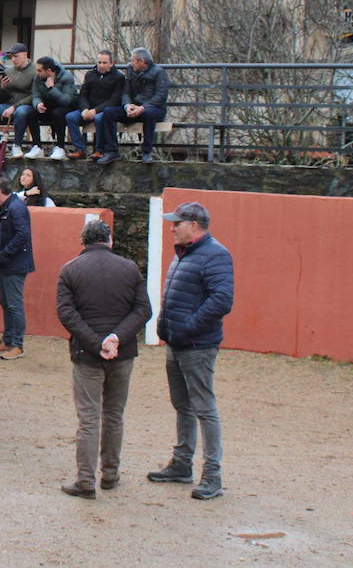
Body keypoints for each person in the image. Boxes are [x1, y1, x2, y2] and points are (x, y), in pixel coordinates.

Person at [55, 219, 152, 499]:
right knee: (113, 415)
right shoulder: (129, 268)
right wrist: (115, 338)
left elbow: (67, 314)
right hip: (121, 352)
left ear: (82, 242)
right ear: (109, 241)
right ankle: (110, 474)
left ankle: (85, 480)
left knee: (88, 418)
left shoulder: (70, 270)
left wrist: (96, 344)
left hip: (87, 353)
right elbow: (143, 310)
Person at [149, 201, 235, 501]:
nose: (172, 228)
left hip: (197, 344)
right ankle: (183, 464)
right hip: (179, 342)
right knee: (183, 405)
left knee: (203, 407)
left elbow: (222, 300)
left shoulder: (215, 254)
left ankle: (212, 474)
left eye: (177, 223)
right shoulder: (189, 253)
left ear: (194, 226)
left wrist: (187, 326)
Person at [96, 47, 171, 165]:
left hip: (153, 109)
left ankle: (146, 152)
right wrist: (127, 105)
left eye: (133, 60)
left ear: (142, 61)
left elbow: (161, 96)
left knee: (149, 114)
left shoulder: (158, 72)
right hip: (133, 108)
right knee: (109, 112)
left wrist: (143, 107)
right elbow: (126, 91)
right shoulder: (131, 70)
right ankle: (111, 150)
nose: (131, 63)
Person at [0, 176, 33, 360]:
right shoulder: (12, 206)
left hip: (14, 264)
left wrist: (5, 254)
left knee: (13, 304)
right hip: (8, 264)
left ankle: (17, 345)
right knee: (6, 303)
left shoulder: (15, 207)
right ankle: (8, 341)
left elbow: (22, 234)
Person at [0, 43, 37, 159]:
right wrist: (3, 88)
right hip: (8, 104)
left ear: (25, 55)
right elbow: (1, 96)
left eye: (16, 56)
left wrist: (14, 107)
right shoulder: (9, 71)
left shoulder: (34, 71)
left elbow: (35, 95)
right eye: (11, 57)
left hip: (25, 105)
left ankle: (17, 144)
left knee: (21, 112)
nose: (13, 60)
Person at [64, 50, 125, 160]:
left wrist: (95, 110)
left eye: (104, 63)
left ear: (111, 63)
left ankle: (99, 150)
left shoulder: (118, 77)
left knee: (99, 119)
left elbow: (115, 100)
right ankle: (80, 149)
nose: (101, 65)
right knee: (70, 117)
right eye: (99, 62)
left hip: (104, 110)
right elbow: (82, 95)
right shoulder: (90, 75)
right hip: (88, 109)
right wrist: (84, 109)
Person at [28, 56, 77, 160]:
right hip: (48, 106)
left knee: (58, 113)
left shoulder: (67, 77)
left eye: (39, 70)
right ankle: (37, 146)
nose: (37, 72)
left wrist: (51, 88)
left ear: (49, 71)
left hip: (66, 107)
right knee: (31, 113)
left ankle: (60, 147)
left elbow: (66, 101)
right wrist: (38, 104)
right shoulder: (38, 78)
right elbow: (35, 95)